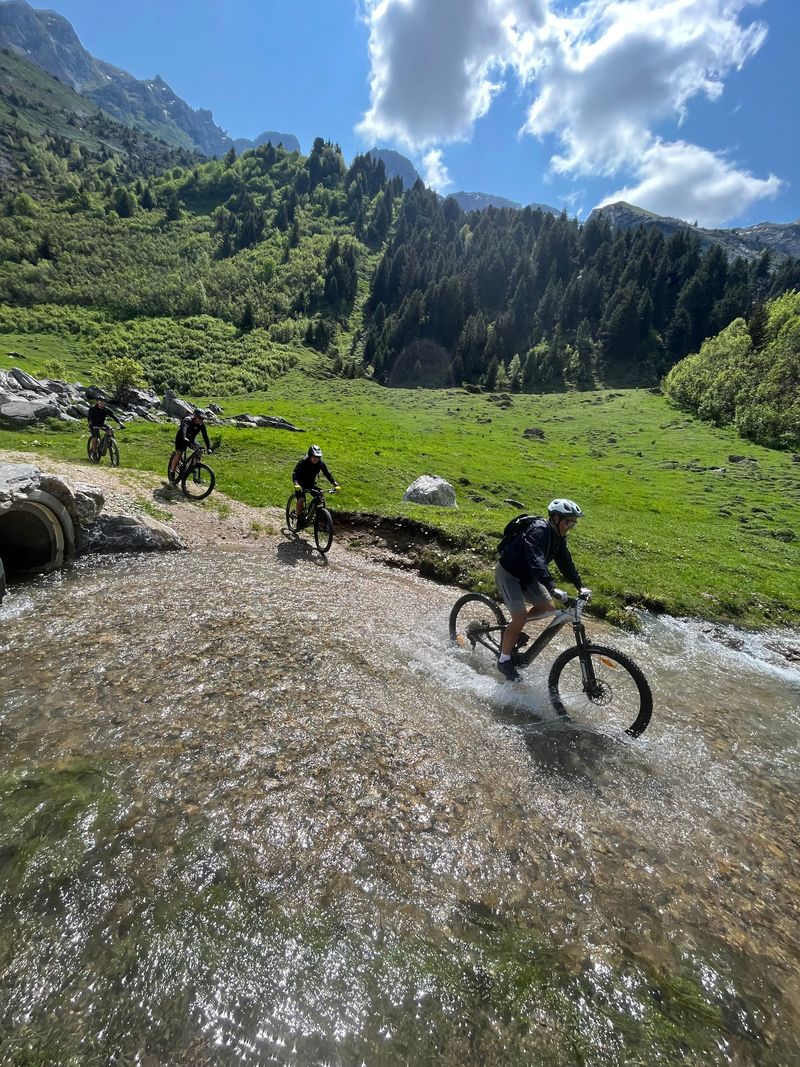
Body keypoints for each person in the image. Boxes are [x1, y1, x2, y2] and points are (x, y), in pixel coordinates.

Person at [495, 498, 592, 682]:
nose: (570, 527)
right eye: (569, 522)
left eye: (573, 524)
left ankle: (513, 627)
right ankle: (504, 660)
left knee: (547, 609)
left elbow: (565, 563)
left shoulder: (558, 537)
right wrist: (552, 587)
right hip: (509, 574)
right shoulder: (539, 531)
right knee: (520, 618)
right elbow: (537, 561)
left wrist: (580, 586)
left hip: (528, 577)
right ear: (556, 518)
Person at [292, 444, 339, 526]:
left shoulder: (320, 463)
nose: (316, 458)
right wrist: (296, 483)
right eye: (314, 456)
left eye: (318, 456)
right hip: (300, 484)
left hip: (310, 483)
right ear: (310, 455)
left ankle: (310, 512)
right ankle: (299, 519)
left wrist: (334, 483)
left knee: (320, 496)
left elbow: (327, 474)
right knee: (301, 499)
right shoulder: (303, 462)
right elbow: (295, 473)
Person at [169, 408, 211, 479]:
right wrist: (184, 437)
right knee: (179, 454)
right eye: (200, 418)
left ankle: (193, 466)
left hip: (191, 439)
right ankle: (172, 470)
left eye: (203, 418)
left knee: (199, 450)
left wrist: (209, 448)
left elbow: (205, 436)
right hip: (181, 438)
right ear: (195, 416)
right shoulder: (187, 420)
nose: (201, 420)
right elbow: (184, 428)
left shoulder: (201, 424)